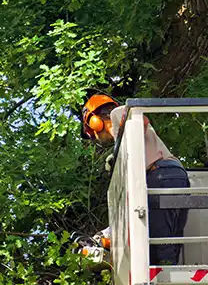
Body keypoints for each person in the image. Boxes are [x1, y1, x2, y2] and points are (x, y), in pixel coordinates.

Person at [81, 93, 190, 266]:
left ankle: (165, 274)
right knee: (171, 237)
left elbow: (141, 120)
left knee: (159, 242)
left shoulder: (118, 114)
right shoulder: (122, 144)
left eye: (92, 133)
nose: (96, 138)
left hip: (159, 174)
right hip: (176, 174)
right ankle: (170, 271)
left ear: (95, 121)